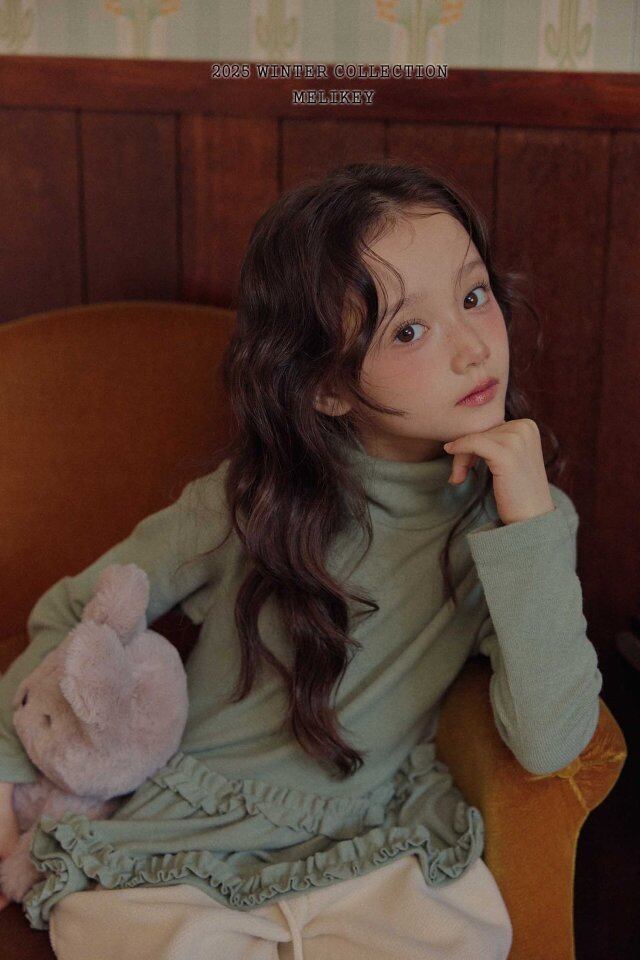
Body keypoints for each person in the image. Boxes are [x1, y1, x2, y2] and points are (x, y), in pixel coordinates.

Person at [0, 160, 603, 959]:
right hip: (191, 837)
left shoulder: (519, 523)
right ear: (325, 386)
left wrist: (528, 520)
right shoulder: (248, 501)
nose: (471, 349)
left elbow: (551, 741)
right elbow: (81, 611)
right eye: (408, 330)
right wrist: (6, 765)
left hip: (376, 841)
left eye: (474, 295)